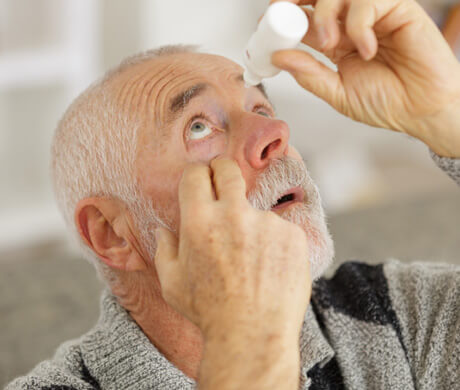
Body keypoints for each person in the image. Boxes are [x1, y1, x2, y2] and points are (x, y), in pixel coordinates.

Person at [7, 0, 460, 389]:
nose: (275, 132)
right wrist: (250, 343)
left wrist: (448, 117)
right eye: (199, 127)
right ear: (112, 234)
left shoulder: (395, 313)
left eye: (261, 107)